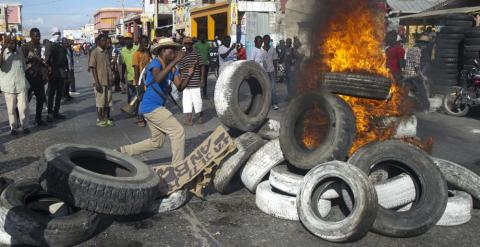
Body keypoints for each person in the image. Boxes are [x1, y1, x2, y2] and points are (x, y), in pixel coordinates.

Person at [120, 37, 193, 168]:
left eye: (175, 50)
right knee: (178, 131)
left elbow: (180, 86)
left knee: (157, 142)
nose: (174, 52)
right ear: (162, 51)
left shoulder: (172, 68)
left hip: (154, 107)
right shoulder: (155, 64)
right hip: (151, 107)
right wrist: (176, 61)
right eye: (171, 49)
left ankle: (124, 151)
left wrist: (188, 74)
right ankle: (178, 167)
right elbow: (158, 78)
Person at [0, 35, 30, 135]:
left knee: (24, 107)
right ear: (6, 43)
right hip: (8, 85)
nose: (12, 44)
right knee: (11, 109)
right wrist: (2, 51)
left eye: (14, 42)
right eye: (10, 42)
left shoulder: (19, 51)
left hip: (21, 83)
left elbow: (24, 65)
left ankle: (24, 126)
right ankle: (13, 127)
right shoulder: (3, 52)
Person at [22, 28, 47, 126]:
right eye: (36, 36)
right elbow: (21, 61)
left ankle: (38, 119)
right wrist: (29, 59)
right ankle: (21, 120)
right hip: (29, 77)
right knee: (25, 101)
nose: (38, 37)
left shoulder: (41, 47)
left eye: (39, 35)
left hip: (39, 77)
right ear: (31, 36)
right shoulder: (26, 46)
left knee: (40, 99)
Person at [179, 36, 205, 126]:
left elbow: (202, 66)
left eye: (189, 43)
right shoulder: (182, 55)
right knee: (186, 101)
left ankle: (200, 116)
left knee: (197, 100)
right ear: (183, 44)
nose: (188, 45)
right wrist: (181, 81)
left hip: (195, 82)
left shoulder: (197, 53)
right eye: (186, 43)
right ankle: (189, 120)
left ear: (192, 44)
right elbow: (181, 69)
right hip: (186, 82)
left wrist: (202, 79)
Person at [89, 34, 113, 127]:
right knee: (100, 102)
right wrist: (97, 82)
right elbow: (93, 68)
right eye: (102, 41)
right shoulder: (95, 52)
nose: (105, 42)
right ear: (98, 42)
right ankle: (100, 119)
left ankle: (107, 118)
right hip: (100, 81)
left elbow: (108, 66)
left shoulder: (106, 52)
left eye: (105, 40)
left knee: (108, 101)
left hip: (108, 81)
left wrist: (111, 77)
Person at [403, 35, 431, 112]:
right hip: (413, 75)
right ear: (423, 44)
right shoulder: (417, 50)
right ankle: (426, 109)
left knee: (405, 93)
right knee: (423, 92)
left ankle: (404, 107)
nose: (425, 46)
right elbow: (416, 65)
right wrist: (420, 75)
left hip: (407, 74)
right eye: (425, 44)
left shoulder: (411, 49)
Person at [46, 28, 68, 122]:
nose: (58, 35)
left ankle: (56, 111)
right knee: (52, 93)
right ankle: (50, 113)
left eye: (59, 33)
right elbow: (47, 58)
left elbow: (65, 58)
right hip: (53, 71)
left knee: (59, 93)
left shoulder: (61, 45)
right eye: (56, 33)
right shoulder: (49, 44)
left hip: (61, 71)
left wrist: (66, 70)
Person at [132, 35, 151, 127]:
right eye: (144, 42)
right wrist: (137, 83)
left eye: (147, 42)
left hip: (148, 80)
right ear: (140, 42)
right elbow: (136, 70)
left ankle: (146, 115)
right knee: (141, 99)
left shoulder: (147, 52)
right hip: (140, 80)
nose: (146, 44)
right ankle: (140, 117)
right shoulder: (136, 54)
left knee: (147, 98)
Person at [120, 33, 138, 103]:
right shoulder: (123, 51)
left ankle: (137, 111)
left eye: (129, 39)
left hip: (138, 77)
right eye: (126, 39)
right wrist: (122, 77)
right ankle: (131, 111)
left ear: (132, 40)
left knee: (138, 95)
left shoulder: (137, 48)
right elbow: (123, 65)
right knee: (130, 96)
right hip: (129, 77)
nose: (128, 41)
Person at [263, 35, 279, 110]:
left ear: (269, 40)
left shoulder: (273, 49)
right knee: (265, 87)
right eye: (265, 39)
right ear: (263, 40)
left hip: (272, 71)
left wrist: (276, 72)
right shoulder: (261, 49)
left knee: (273, 88)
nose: (267, 41)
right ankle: (266, 104)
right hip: (263, 72)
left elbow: (275, 60)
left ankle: (274, 103)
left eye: (268, 39)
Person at [193, 33, 210, 99]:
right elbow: (194, 52)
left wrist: (210, 61)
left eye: (204, 36)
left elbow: (208, 53)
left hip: (206, 64)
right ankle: (198, 94)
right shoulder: (196, 45)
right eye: (201, 37)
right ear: (199, 38)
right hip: (198, 65)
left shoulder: (208, 44)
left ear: (205, 37)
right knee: (198, 79)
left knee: (205, 80)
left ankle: (204, 94)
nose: (202, 38)